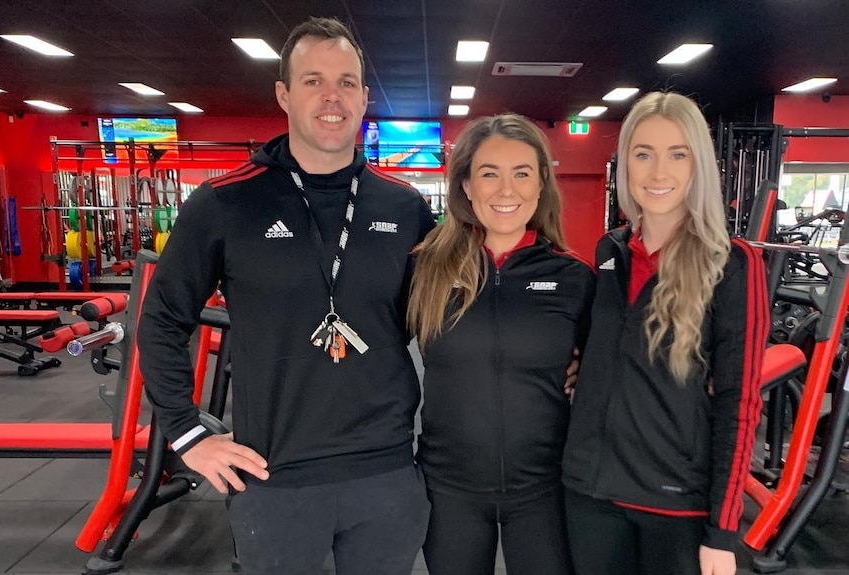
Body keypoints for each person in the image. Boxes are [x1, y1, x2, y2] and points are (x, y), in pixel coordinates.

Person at [136, 17, 436, 575]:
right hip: (275, 478)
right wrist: (185, 430)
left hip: (387, 473)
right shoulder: (225, 202)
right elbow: (161, 317)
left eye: (347, 82)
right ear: (283, 94)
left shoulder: (405, 207)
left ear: (365, 98)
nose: (332, 97)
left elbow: (444, 319)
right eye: (313, 80)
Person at [562, 92, 769, 575]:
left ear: (698, 164)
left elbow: (740, 404)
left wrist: (723, 531)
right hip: (590, 492)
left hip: (676, 505)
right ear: (624, 165)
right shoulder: (609, 252)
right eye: (644, 154)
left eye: (678, 154)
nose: (659, 172)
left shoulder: (732, 264)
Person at [408, 114, 595, 575]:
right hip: (449, 488)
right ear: (467, 186)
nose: (506, 190)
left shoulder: (574, 278)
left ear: (540, 186)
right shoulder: (424, 270)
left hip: (544, 490)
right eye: (489, 173)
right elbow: (365, 354)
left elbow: (610, 372)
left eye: (522, 173)